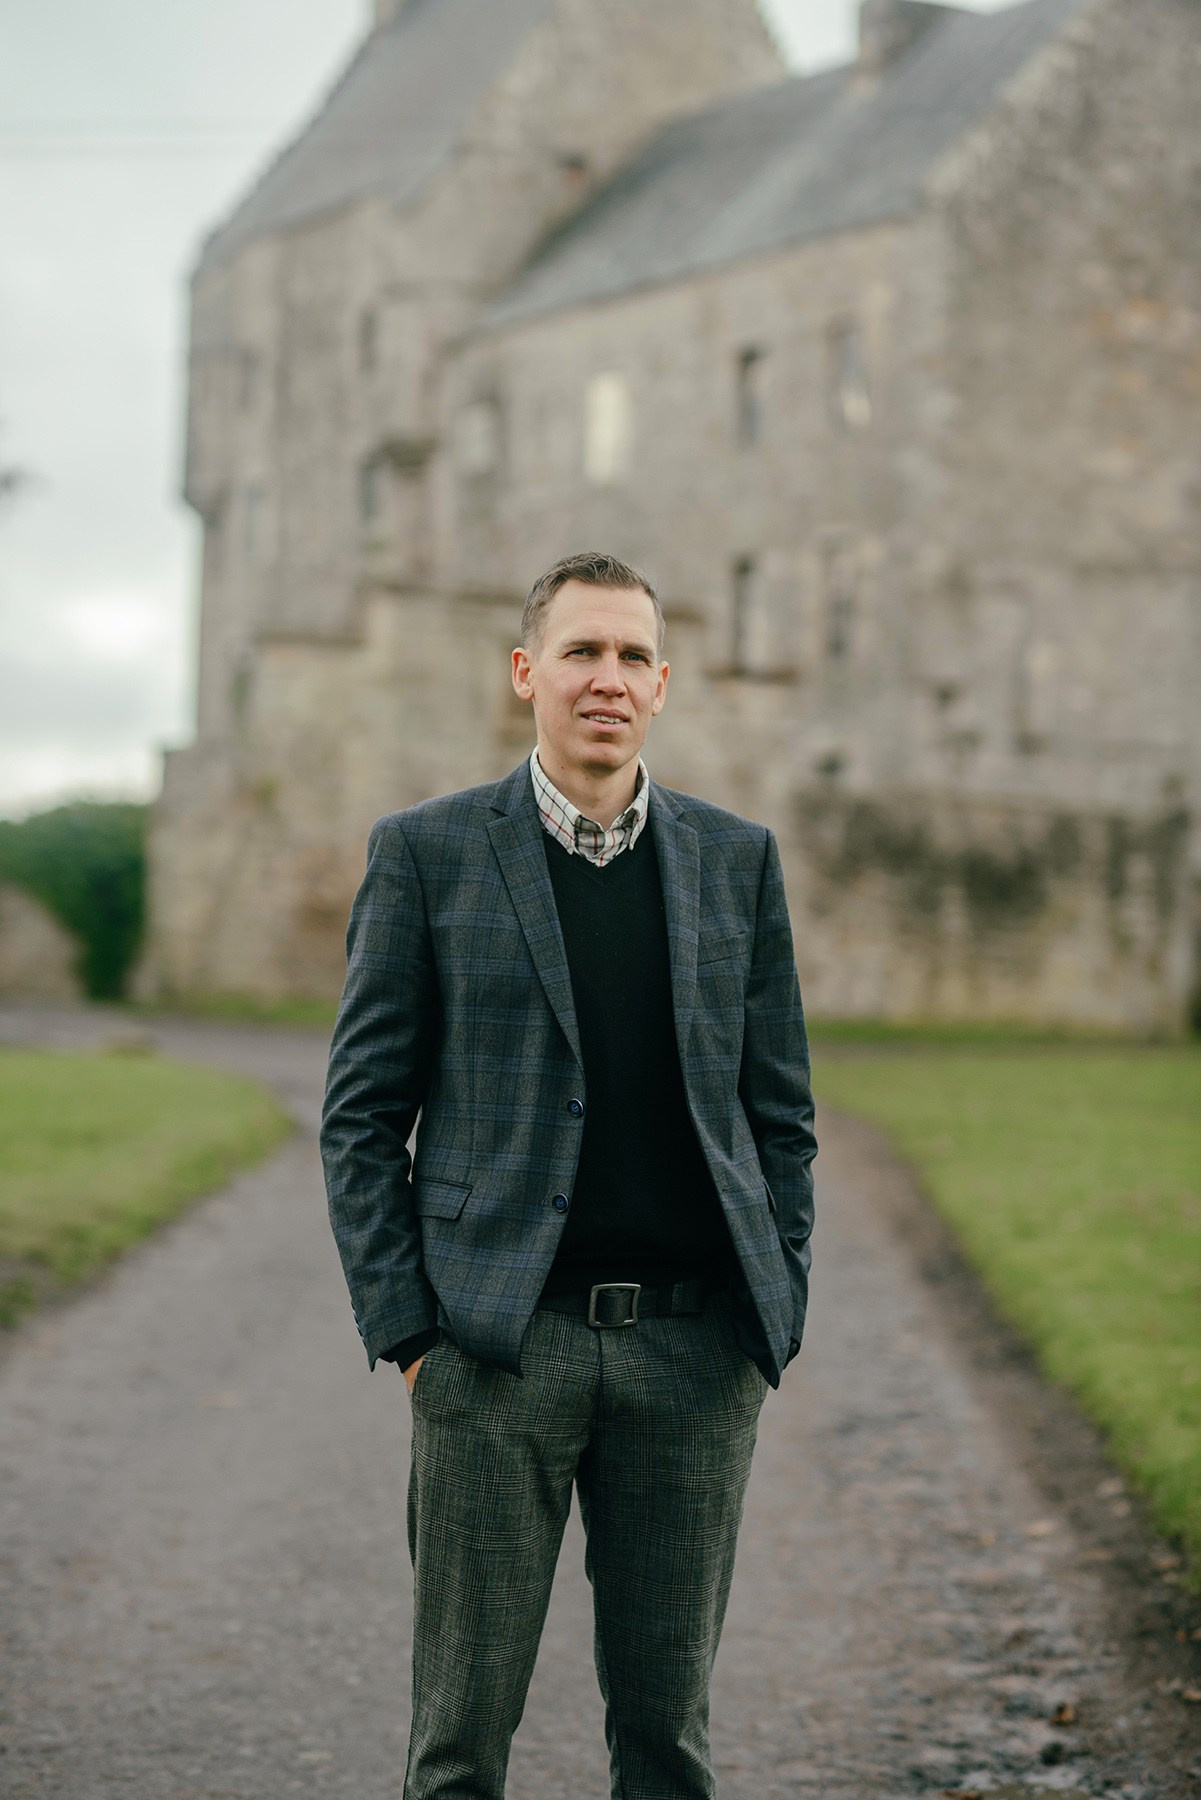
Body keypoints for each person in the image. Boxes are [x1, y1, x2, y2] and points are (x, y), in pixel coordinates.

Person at [321, 549, 817, 1800]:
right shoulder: (426, 855)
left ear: (664, 685)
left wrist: (772, 1315)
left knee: (667, 1745)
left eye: (634, 656)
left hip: (694, 1362)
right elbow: (362, 1115)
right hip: (494, 1359)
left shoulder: (736, 863)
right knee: (457, 1750)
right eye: (583, 651)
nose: (609, 678)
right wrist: (411, 1330)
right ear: (525, 672)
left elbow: (780, 1116)